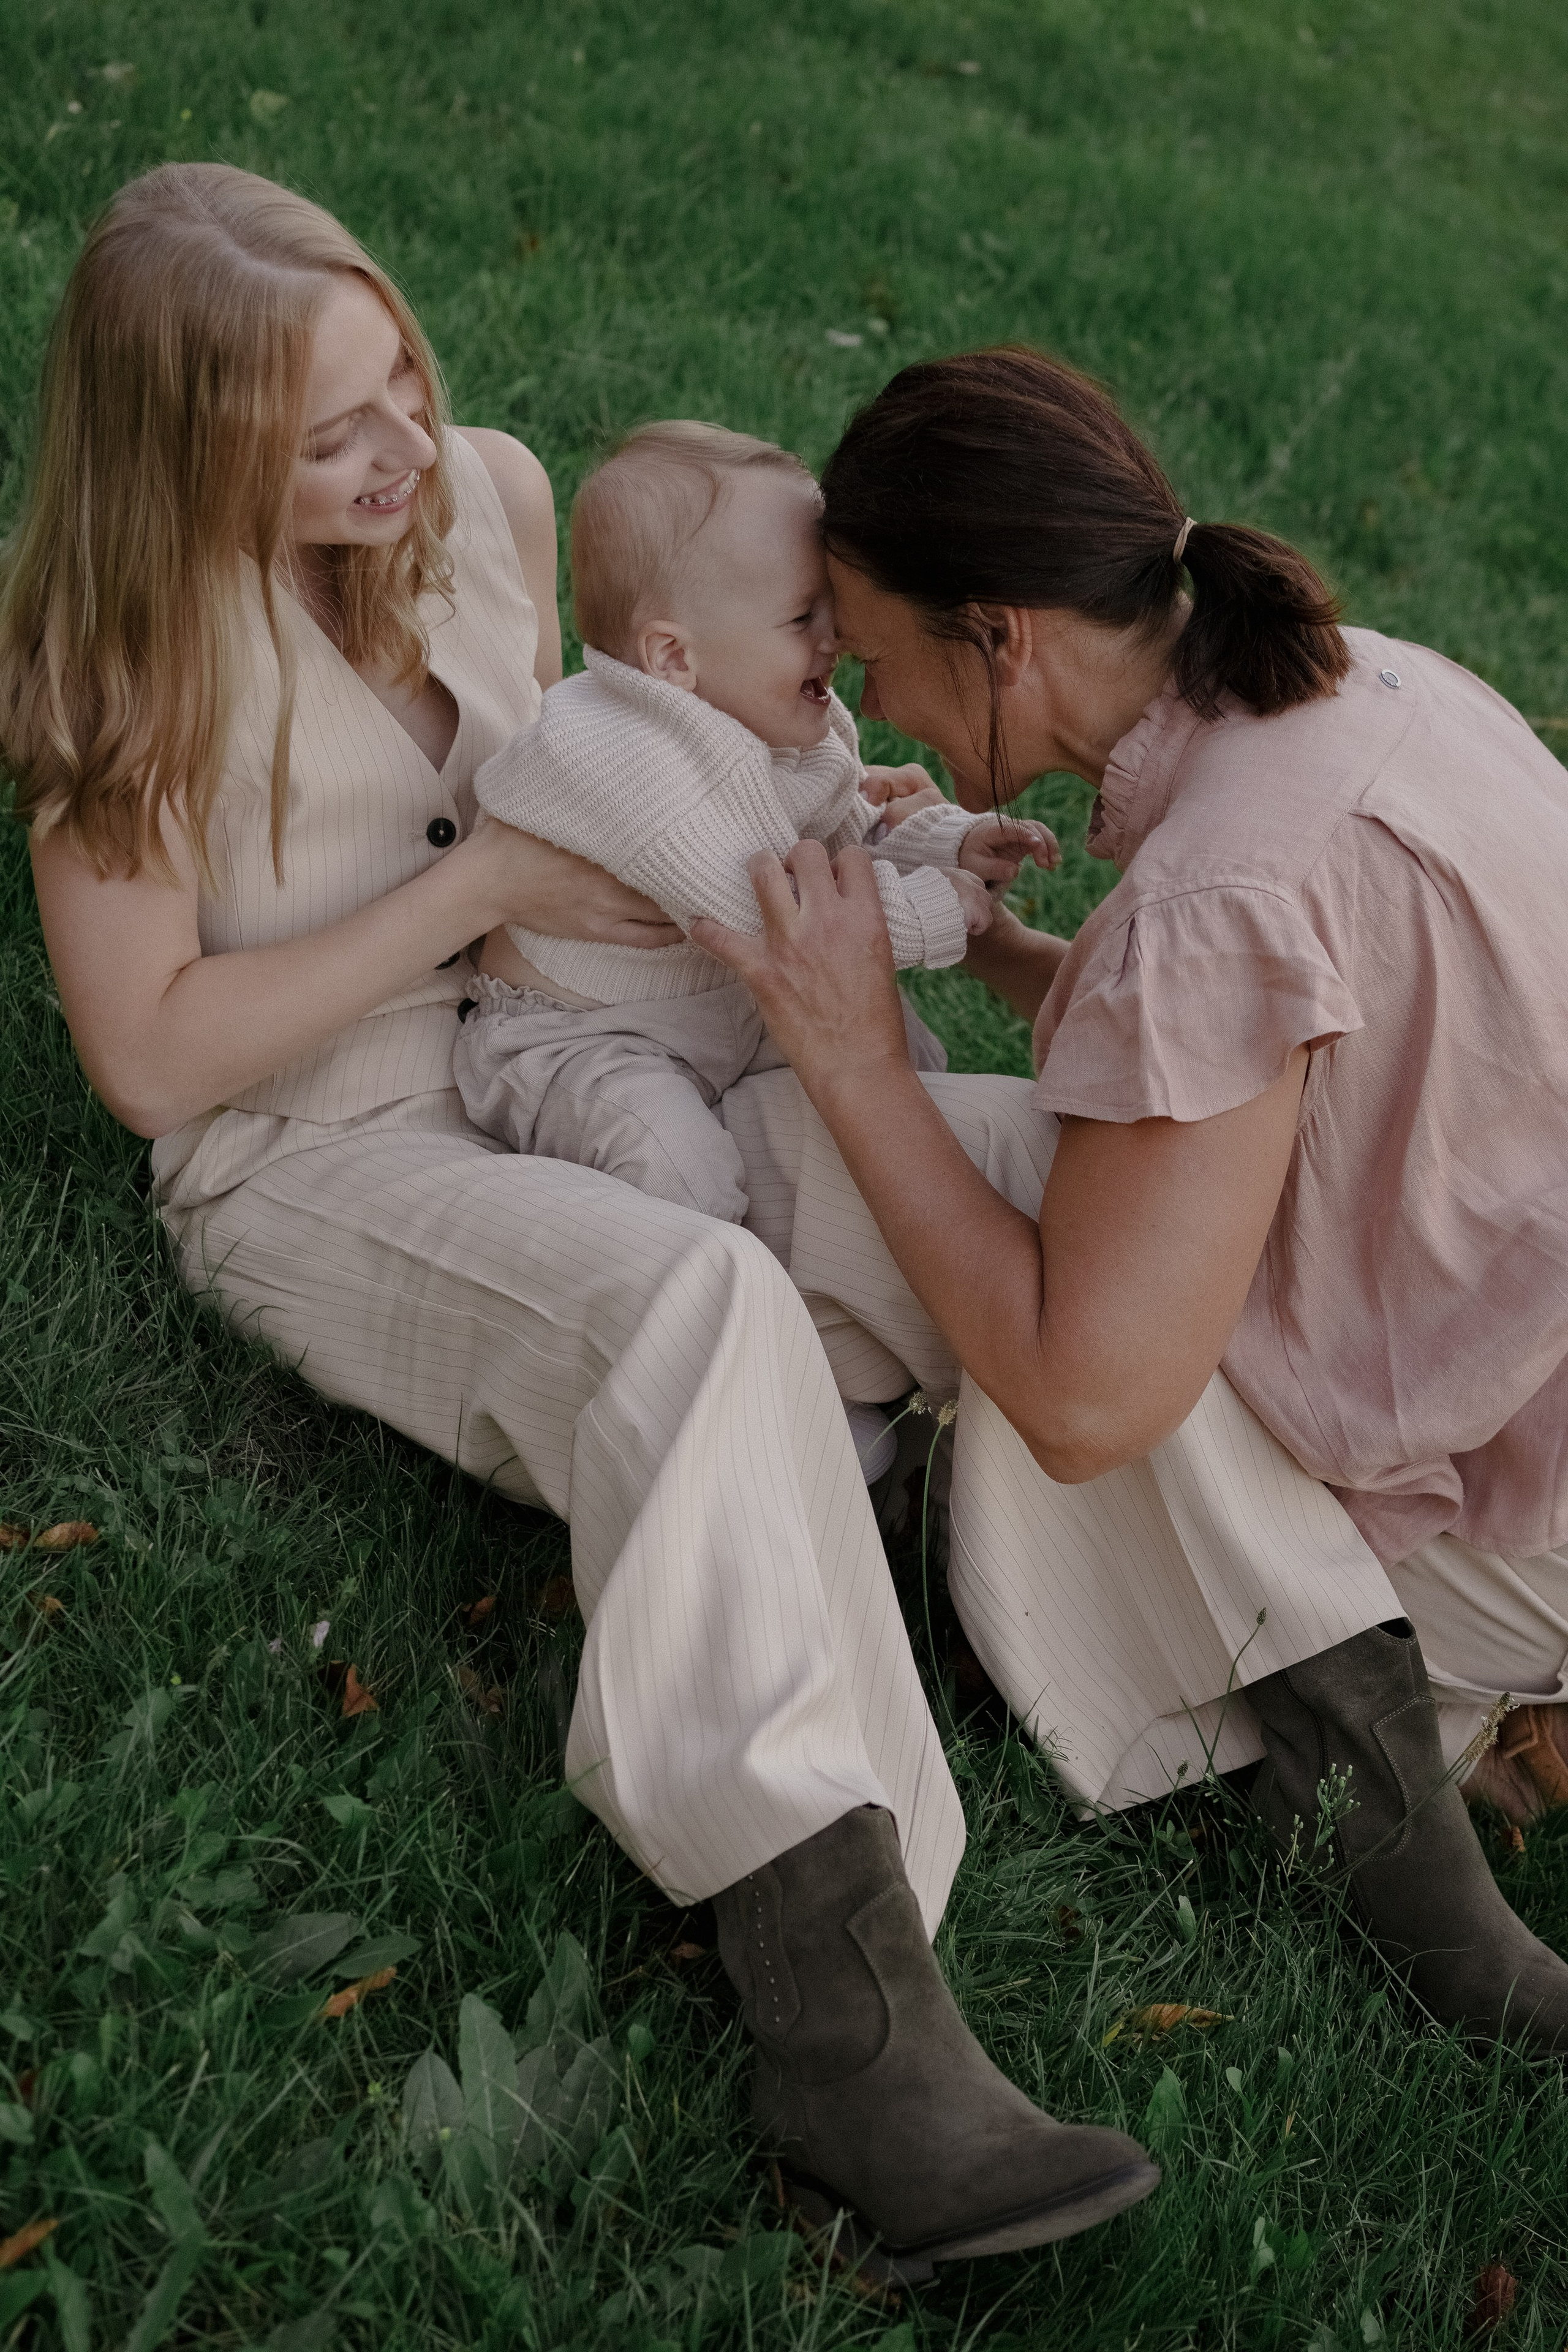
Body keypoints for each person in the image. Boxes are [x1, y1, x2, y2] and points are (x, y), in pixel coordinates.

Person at [5, 169, 1159, 2276]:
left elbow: (626, 748)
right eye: (333, 436)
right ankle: (854, 2018)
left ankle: (1343, 1739)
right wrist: (471, 896)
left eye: (406, 384)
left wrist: (838, 815)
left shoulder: (497, 498)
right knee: (695, 1296)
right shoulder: (111, 646)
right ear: (186, 449)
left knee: (1038, 1161)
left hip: (562, 1061)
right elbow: (153, 1065)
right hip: (319, 1150)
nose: (405, 454)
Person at [690, 344, 1568, 2058]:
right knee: (1028, 1179)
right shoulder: (1366, 686)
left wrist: (859, 1057)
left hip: (1518, 1527)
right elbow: (1264, 1063)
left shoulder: (1221, 890)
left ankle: (1366, 1755)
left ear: (1001, 633)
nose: (884, 717)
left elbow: (1094, 1398)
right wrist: (1016, 954)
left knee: (913, 1191)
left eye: (879, 666)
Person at [453, 418, 1055, 1227]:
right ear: (674, 659)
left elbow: (840, 831)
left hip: (722, 1003)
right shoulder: (620, 755)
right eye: (802, 617)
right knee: (674, 1164)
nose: (834, 638)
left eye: (830, 612)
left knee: (904, 1057)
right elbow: (779, 915)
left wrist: (945, 844)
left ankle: (884, 1208)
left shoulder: (776, 712)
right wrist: (941, 910)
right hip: (587, 1038)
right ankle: (712, 1277)